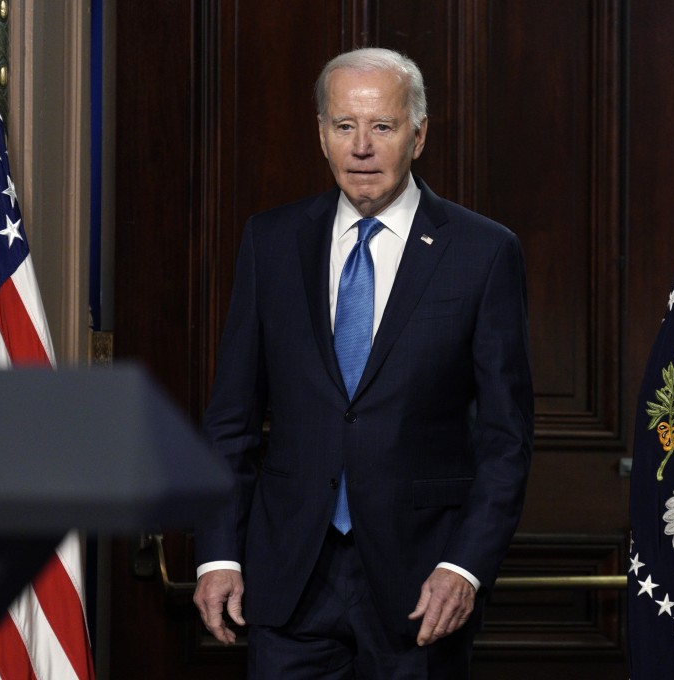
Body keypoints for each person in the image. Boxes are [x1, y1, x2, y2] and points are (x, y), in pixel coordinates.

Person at [193, 46, 534, 678]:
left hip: (421, 583)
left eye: (382, 126)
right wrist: (219, 554)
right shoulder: (270, 242)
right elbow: (231, 421)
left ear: (418, 135)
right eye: (344, 125)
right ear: (321, 135)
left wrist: (465, 566)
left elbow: (505, 438)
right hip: (288, 578)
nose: (361, 148)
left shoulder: (483, 252)